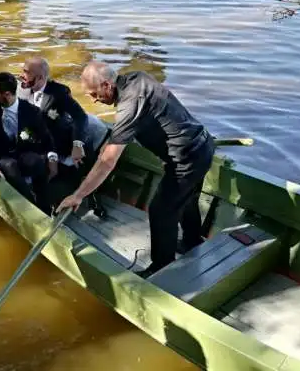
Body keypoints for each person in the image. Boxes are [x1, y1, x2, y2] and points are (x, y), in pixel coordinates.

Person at [56, 61, 216, 278]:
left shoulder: (129, 106)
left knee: (161, 211)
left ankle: (161, 268)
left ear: (106, 85)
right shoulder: (137, 77)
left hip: (187, 159)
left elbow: (107, 161)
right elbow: (163, 114)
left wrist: (78, 195)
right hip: (202, 145)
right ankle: (191, 241)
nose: (93, 99)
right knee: (187, 198)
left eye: (94, 93)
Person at [19, 56, 107, 216]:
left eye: (26, 72)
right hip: (46, 145)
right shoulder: (22, 92)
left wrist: (77, 144)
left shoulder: (59, 92)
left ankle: (95, 203)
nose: (21, 75)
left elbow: (80, 117)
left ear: (39, 77)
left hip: (68, 141)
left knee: (87, 168)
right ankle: (47, 207)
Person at [0, 72, 58, 213]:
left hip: (24, 152)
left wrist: (53, 159)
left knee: (36, 161)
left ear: (7, 94)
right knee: (10, 165)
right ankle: (31, 209)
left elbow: (47, 139)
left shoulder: (32, 111)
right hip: (3, 156)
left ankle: (45, 205)